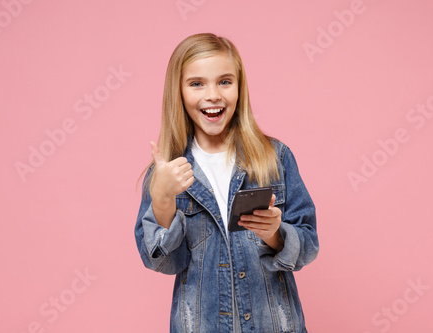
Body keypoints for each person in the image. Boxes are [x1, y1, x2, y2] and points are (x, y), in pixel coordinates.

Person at [135, 32, 319, 333]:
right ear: (178, 92)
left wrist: (275, 234)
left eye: (225, 81)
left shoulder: (275, 157)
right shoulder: (166, 172)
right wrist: (162, 199)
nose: (213, 95)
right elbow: (163, 262)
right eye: (197, 83)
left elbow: (309, 244)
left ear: (239, 88)